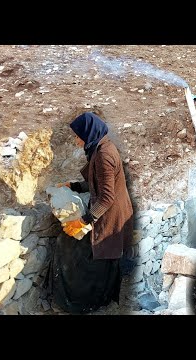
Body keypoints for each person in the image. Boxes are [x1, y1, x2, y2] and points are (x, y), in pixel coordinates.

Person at [47, 111, 134, 314]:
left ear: (88, 133)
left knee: (94, 255)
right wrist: (74, 186)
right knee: (95, 255)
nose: (77, 140)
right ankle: (93, 298)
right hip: (108, 210)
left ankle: (89, 301)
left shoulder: (104, 155)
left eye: (78, 136)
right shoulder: (100, 147)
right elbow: (97, 183)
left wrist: (83, 221)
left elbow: (106, 197)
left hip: (112, 214)